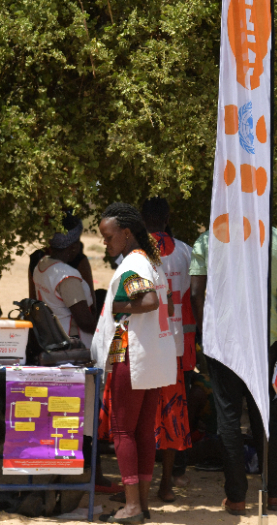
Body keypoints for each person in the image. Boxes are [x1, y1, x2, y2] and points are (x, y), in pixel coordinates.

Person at [204, 224, 277, 516]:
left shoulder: (210, 238)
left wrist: (206, 339)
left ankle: (236, 499)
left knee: (229, 419)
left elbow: (198, 292)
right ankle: (276, 493)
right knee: (264, 418)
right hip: (264, 343)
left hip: (223, 344)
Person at [91, 202, 175, 524]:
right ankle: (140, 503)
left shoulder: (133, 265)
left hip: (132, 356)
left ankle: (132, 507)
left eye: (109, 236)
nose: (105, 242)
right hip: (154, 357)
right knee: (142, 433)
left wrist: (118, 306)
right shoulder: (151, 261)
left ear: (126, 234)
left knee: (122, 431)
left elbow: (149, 300)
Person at [141, 198, 194, 502]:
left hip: (147, 345)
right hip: (175, 346)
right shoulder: (186, 252)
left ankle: (140, 487)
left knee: (143, 415)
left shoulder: (136, 252)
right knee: (173, 413)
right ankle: (166, 485)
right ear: (168, 217)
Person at [32, 214, 97, 346]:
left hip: (52, 340)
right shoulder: (67, 275)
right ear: (74, 247)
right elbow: (84, 322)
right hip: (72, 344)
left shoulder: (41, 265)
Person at [29, 212, 95, 301]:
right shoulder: (79, 262)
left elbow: (32, 299)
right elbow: (91, 302)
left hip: (41, 314)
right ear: (74, 246)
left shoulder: (37, 258)